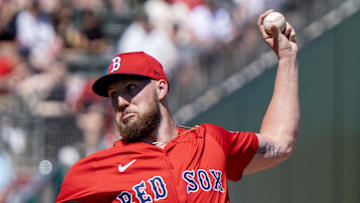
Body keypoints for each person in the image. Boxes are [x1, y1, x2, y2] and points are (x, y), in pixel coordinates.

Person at [56, 9, 299, 203]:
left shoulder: (210, 142)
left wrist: (287, 58)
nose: (120, 102)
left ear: (161, 88)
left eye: (130, 88)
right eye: (113, 95)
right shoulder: (93, 172)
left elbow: (281, 143)